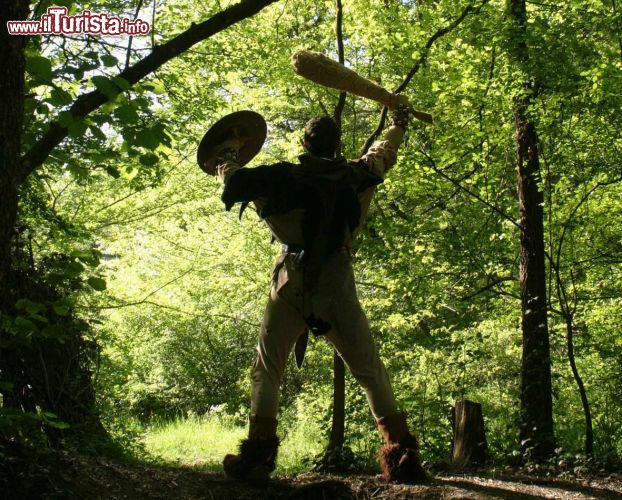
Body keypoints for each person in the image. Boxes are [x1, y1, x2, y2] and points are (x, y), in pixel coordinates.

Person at [214, 95, 427, 483]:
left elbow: (232, 180)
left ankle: (258, 459)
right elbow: (385, 150)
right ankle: (403, 461)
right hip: (335, 285)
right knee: (370, 371)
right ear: (337, 144)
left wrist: (230, 148)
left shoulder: (279, 177)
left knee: (267, 370)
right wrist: (398, 121)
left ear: (304, 144)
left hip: (290, 283)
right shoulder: (358, 174)